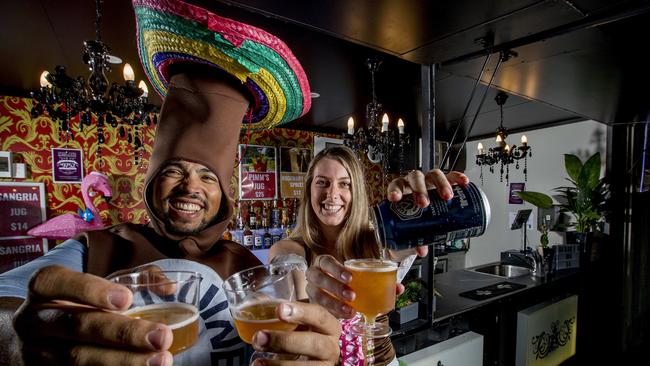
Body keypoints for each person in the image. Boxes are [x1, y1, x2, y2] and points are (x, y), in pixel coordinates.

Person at [0, 0, 340, 365]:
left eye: (208, 176)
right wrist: (19, 341)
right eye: (175, 169)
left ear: (224, 193)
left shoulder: (246, 267)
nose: (190, 186)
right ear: (152, 180)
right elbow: (8, 306)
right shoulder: (93, 248)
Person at [269, 146, 469, 365]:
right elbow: (295, 305)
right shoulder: (290, 250)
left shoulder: (378, 242)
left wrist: (423, 210)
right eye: (322, 182)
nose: (332, 193)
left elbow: (399, 249)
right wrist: (308, 303)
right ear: (309, 190)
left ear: (357, 192)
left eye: (345, 184)